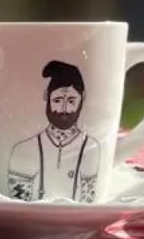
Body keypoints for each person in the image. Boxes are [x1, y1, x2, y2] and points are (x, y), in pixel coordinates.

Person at [7, 60, 99, 201]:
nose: (63, 109)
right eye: (57, 100)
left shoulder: (90, 148)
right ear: (46, 97)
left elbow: (88, 201)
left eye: (71, 101)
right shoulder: (24, 149)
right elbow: (18, 204)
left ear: (83, 98)